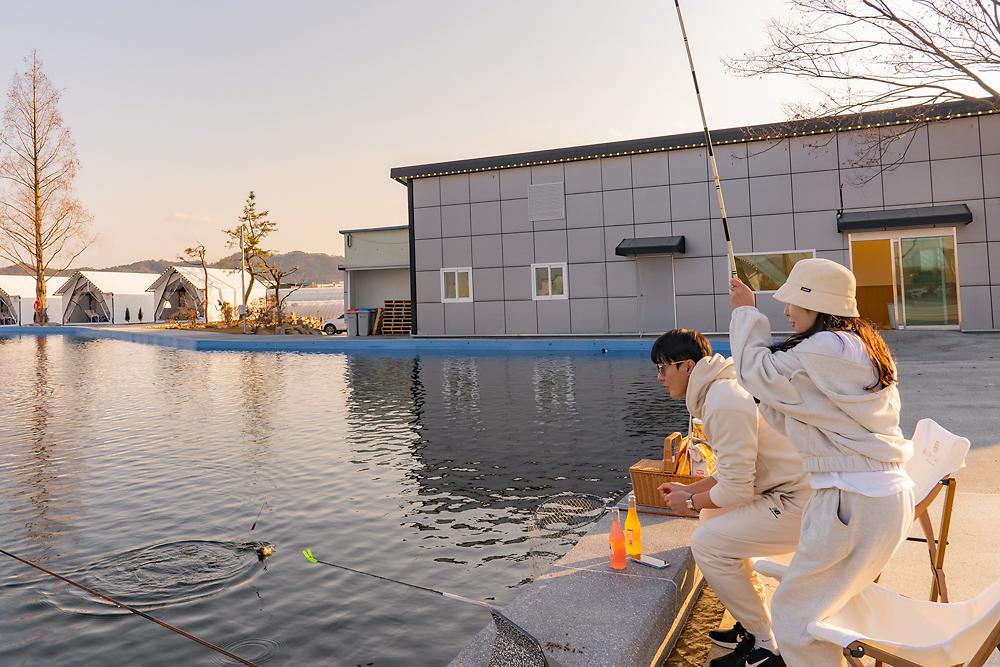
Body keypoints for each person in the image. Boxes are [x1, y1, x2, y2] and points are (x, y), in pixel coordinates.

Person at [728, 258, 914, 667]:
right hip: (870, 499)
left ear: (819, 304)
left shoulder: (827, 347)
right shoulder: (857, 343)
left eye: (794, 301)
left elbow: (755, 372)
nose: (787, 310)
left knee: (795, 618)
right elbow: (796, 404)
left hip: (855, 502)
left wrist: (745, 310)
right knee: (812, 615)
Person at [651, 329, 810, 667]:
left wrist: (691, 503)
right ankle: (753, 623)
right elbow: (732, 471)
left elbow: (736, 488)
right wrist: (690, 490)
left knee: (708, 543)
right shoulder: (720, 390)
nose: (660, 377)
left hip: (802, 504)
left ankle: (767, 646)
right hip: (785, 490)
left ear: (688, 367)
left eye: (665, 368)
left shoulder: (723, 402)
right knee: (714, 519)